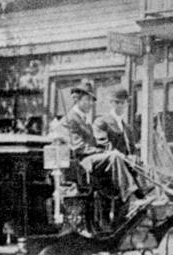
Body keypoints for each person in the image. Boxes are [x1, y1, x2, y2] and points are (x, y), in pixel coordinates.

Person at [55, 80, 151, 216]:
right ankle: (132, 197)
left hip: (92, 159)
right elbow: (79, 148)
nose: (91, 104)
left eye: (92, 100)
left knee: (126, 159)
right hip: (82, 162)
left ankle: (141, 194)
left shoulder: (84, 120)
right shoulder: (70, 119)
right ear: (77, 100)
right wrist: (106, 152)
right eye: (87, 100)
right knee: (115, 156)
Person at [92, 88, 137, 156]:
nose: (120, 106)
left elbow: (133, 151)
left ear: (126, 104)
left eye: (122, 103)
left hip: (126, 164)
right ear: (110, 103)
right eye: (116, 102)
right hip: (111, 163)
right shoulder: (102, 122)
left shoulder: (127, 128)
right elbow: (103, 146)